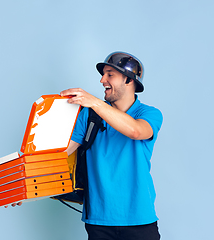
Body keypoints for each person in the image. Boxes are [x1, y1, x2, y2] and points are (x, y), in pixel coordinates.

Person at [60, 51, 163, 240]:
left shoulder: (149, 114)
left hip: (140, 221)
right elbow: (60, 154)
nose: (102, 80)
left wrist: (95, 103)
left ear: (128, 80)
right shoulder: (88, 115)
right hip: (99, 223)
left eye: (110, 74)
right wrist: (22, 185)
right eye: (103, 74)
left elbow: (136, 131)